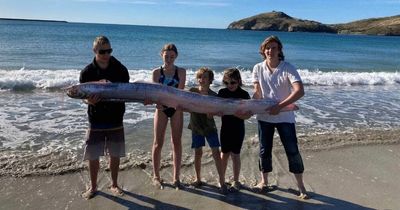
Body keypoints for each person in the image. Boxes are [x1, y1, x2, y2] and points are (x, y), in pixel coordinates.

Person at [252, 35, 308, 199]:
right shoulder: (257, 68)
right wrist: (247, 107)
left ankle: (301, 186)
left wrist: (280, 106)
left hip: (285, 117)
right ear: (263, 50)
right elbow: (258, 93)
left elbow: (299, 91)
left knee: (292, 150)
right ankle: (264, 181)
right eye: (267, 48)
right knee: (264, 150)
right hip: (264, 116)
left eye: (274, 47)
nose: (270, 51)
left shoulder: (288, 67)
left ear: (279, 50)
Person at [79, 36, 130, 199]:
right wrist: (89, 101)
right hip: (96, 119)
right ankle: (93, 187)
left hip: (116, 117)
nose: (106, 54)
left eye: (109, 50)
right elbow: (83, 96)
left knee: (115, 154)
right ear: (94, 51)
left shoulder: (120, 69)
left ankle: (114, 184)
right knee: (93, 155)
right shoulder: (87, 72)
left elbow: (127, 92)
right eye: (102, 51)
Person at [151, 43, 186, 189]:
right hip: (161, 109)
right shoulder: (156, 73)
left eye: (172, 56)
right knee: (158, 143)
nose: (169, 59)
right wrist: (159, 102)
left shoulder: (181, 72)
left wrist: (171, 103)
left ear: (176, 56)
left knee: (176, 142)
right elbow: (155, 94)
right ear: (161, 55)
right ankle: (156, 176)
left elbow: (180, 92)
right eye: (166, 56)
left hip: (176, 108)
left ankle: (176, 178)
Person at [187, 67, 226, 193]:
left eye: (205, 77)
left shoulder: (214, 96)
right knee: (198, 153)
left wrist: (213, 114)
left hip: (210, 127)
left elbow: (220, 112)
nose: (201, 80)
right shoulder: (192, 92)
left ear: (210, 81)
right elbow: (185, 106)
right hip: (196, 126)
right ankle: (198, 178)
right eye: (199, 77)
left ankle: (222, 181)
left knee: (216, 152)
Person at [217, 68, 251, 192]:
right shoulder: (221, 92)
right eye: (227, 83)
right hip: (225, 128)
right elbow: (217, 110)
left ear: (238, 81)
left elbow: (248, 115)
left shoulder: (244, 94)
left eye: (233, 82)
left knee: (235, 155)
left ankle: (236, 180)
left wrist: (235, 114)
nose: (229, 85)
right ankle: (222, 179)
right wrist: (218, 113)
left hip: (238, 129)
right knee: (224, 154)